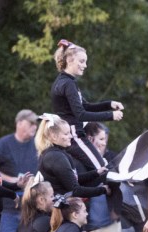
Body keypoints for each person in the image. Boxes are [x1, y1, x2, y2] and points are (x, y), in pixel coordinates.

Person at [51, 39, 124, 172]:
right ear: (69, 60)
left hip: (74, 132)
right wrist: (111, 116)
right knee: (102, 169)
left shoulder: (67, 82)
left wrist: (109, 104)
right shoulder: (68, 84)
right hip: (73, 134)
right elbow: (81, 115)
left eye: (85, 62)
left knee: (100, 169)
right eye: (81, 61)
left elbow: (86, 106)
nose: (85, 65)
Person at [83, 122, 123, 232]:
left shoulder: (113, 159)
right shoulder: (80, 160)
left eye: (105, 138)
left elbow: (120, 186)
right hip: (85, 222)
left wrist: (117, 210)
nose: (103, 142)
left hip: (108, 221)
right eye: (100, 138)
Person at [35, 114, 108, 199]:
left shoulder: (55, 154)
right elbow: (75, 190)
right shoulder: (55, 157)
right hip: (58, 209)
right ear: (54, 136)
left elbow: (72, 179)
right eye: (66, 134)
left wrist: (96, 172)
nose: (71, 136)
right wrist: (103, 190)